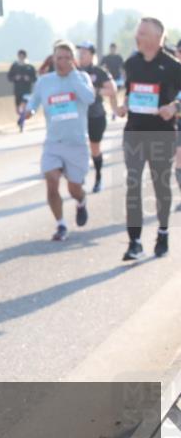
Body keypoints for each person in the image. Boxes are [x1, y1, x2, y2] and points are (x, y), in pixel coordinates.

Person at [118, 17, 181, 260]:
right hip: (134, 131)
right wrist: (124, 105)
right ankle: (134, 242)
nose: (138, 36)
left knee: (160, 185)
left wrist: (174, 106)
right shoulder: (132, 63)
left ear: (157, 38)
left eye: (142, 33)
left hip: (161, 133)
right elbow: (131, 91)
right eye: (137, 32)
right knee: (133, 184)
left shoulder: (173, 66)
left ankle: (163, 232)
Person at [22, 41, 96, 241]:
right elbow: (34, 100)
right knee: (52, 182)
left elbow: (90, 98)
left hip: (77, 143)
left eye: (66, 58)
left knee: (74, 188)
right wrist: (28, 110)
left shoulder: (81, 78)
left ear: (72, 60)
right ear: (53, 59)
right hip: (54, 143)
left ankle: (81, 201)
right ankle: (61, 224)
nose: (61, 62)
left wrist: (73, 76)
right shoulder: (45, 81)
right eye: (58, 58)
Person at [76, 41, 118, 193]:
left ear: (92, 55)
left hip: (96, 115)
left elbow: (112, 89)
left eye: (84, 52)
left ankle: (98, 177)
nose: (81, 54)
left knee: (95, 148)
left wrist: (94, 91)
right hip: (78, 116)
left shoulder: (99, 71)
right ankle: (79, 177)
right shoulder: (74, 71)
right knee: (78, 147)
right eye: (79, 52)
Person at [8, 49, 37, 132]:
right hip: (17, 90)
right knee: (18, 110)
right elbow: (9, 77)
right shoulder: (15, 66)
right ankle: (21, 118)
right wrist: (15, 78)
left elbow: (35, 78)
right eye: (19, 56)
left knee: (23, 106)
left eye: (22, 56)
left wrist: (29, 79)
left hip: (27, 90)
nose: (21, 57)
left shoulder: (30, 66)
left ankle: (21, 122)